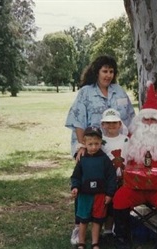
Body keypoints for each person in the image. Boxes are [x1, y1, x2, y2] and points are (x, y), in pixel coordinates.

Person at [65, 55, 135, 244]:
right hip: (91, 147)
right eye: (105, 71)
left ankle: (107, 226)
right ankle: (78, 226)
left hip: (114, 149)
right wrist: (82, 147)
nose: (108, 75)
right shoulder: (86, 92)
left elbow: (130, 118)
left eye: (111, 71)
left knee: (109, 187)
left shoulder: (119, 91)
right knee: (85, 188)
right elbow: (78, 121)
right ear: (97, 72)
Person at [112, 97, 157, 249]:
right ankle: (122, 239)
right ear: (139, 121)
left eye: (153, 120)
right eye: (145, 119)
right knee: (120, 197)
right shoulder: (131, 138)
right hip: (134, 187)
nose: (149, 123)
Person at [70, 126, 117, 249]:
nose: (94, 147)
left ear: (101, 142)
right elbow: (76, 176)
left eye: (97, 143)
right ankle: (81, 242)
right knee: (83, 220)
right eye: (90, 144)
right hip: (84, 195)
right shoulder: (82, 159)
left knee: (97, 220)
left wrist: (109, 194)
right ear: (84, 143)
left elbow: (112, 177)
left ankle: (95, 243)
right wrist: (75, 187)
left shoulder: (105, 159)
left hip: (100, 195)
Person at [100, 108, 129, 239]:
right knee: (107, 204)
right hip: (106, 178)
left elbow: (130, 157)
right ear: (103, 125)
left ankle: (120, 228)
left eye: (114, 122)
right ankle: (106, 229)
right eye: (108, 122)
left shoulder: (125, 140)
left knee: (119, 203)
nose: (111, 125)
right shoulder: (101, 141)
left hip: (122, 178)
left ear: (120, 124)